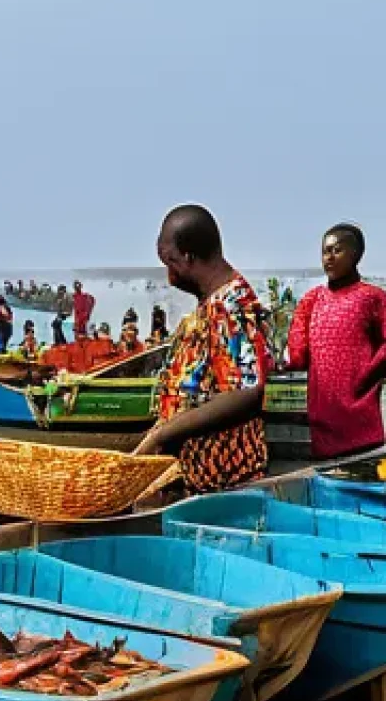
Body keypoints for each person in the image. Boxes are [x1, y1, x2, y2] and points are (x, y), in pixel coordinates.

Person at [135, 205, 273, 494]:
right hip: (199, 481)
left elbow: (247, 391)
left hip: (227, 487)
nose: (168, 275)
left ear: (188, 257)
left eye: (170, 262)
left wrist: (164, 434)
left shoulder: (231, 306)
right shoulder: (211, 304)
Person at [286, 224, 386, 459]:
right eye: (324, 251)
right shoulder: (312, 300)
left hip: (363, 423)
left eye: (336, 250)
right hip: (323, 424)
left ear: (355, 254)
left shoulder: (372, 297)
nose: (328, 258)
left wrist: (367, 374)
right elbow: (298, 357)